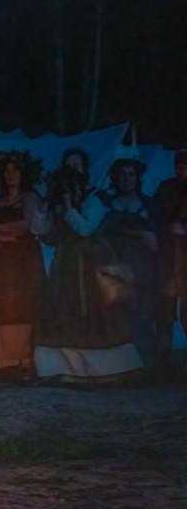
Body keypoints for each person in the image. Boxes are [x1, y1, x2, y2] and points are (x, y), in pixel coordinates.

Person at [34, 149, 154, 381]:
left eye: (78, 166)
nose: (73, 170)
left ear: (85, 170)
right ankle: (63, 369)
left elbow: (86, 228)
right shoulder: (60, 197)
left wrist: (69, 207)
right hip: (65, 264)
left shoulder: (96, 197)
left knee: (94, 317)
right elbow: (42, 232)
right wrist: (46, 207)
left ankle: (105, 370)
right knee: (61, 313)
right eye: (69, 166)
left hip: (88, 264)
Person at [0, 152, 46, 378]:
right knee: (2, 307)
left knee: (24, 306)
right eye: (6, 171)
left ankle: (26, 359)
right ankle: (2, 360)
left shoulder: (29, 198)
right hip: (2, 262)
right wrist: (4, 236)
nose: (10, 175)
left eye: (14, 170)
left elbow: (26, 226)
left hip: (24, 261)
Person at [150, 148, 187, 378]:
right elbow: (155, 216)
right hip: (167, 260)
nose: (181, 168)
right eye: (179, 164)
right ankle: (162, 364)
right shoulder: (166, 188)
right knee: (164, 311)